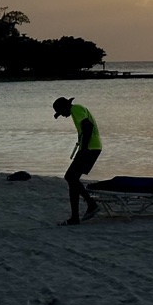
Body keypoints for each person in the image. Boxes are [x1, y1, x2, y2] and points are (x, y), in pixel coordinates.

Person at [53, 97, 101, 226]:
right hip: (90, 148)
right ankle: (76, 216)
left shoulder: (76, 109)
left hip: (90, 148)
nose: (63, 116)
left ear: (65, 107)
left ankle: (91, 204)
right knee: (72, 179)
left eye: (61, 112)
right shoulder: (76, 111)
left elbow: (88, 127)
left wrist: (84, 149)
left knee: (70, 177)